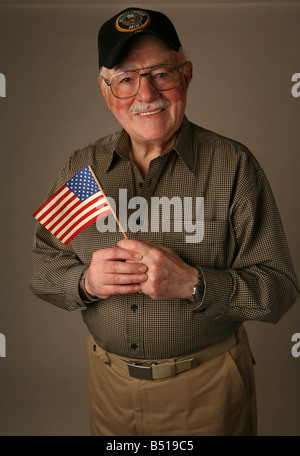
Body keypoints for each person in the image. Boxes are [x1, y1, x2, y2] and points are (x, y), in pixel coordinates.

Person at [30, 7, 299, 436]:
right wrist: (84, 283)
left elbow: (280, 289)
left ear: (186, 75)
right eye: (126, 79)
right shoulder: (86, 170)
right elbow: (42, 268)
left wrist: (194, 283)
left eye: (161, 73)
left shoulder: (233, 165)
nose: (145, 94)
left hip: (208, 389)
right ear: (106, 90)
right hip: (109, 389)